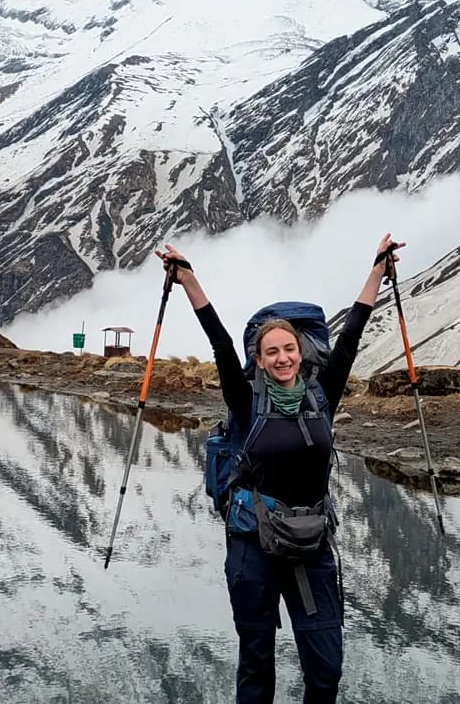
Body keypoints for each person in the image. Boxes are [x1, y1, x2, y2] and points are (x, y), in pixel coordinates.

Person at [154, 234, 404, 704]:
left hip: (311, 541)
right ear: (260, 361)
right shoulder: (247, 401)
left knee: (326, 669)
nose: (283, 357)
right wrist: (189, 280)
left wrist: (376, 271)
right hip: (253, 544)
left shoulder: (322, 396)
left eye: (289, 348)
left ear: (301, 351)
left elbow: (351, 335)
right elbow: (220, 342)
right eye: (271, 352)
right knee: (256, 665)